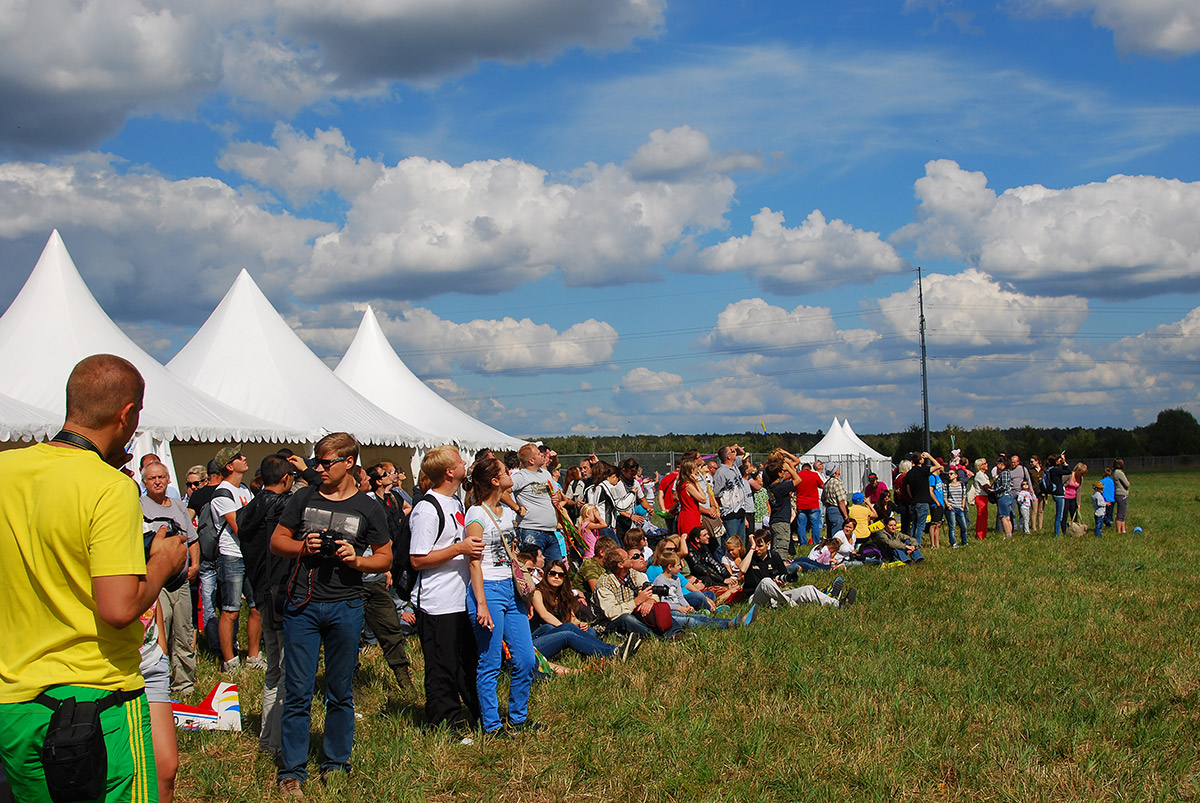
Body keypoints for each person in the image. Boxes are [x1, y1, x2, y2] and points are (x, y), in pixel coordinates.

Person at [0, 354, 188, 803]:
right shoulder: (109, 487)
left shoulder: (7, 469)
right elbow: (118, 607)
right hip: (98, 701)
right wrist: (161, 563)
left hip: (16, 699)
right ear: (127, 414)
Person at [269, 433, 393, 795]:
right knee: (298, 690)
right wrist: (301, 547)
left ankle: (336, 763)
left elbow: (385, 556)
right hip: (303, 605)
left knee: (340, 691)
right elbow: (277, 541)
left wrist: (357, 560)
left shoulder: (369, 508)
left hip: (347, 605)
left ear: (349, 463)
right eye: (317, 462)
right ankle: (292, 771)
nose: (318, 468)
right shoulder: (304, 497)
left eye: (326, 463)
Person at [407, 446, 482, 741]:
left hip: (460, 598)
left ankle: (475, 713)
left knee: (464, 661)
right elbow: (417, 558)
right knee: (442, 665)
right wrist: (459, 549)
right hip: (437, 602)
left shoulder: (455, 504)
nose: (466, 463)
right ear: (449, 472)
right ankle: (443, 722)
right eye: (460, 461)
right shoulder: (428, 508)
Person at [463, 457, 540, 736]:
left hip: (511, 589)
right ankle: (492, 725)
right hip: (489, 592)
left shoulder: (505, 512)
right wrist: (481, 604)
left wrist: (525, 597)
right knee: (490, 661)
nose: (511, 473)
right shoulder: (476, 515)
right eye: (505, 472)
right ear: (495, 481)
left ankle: (518, 718)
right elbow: (474, 563)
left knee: (526, 659)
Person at [235, 454, 294, 759]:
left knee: (273, 669)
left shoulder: (250, 508)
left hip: (261, 590)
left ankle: (266, 739)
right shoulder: (282, 507)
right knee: (285, 671)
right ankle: (277, 742)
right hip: (281, 593)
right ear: (285, 479)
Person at [141, 461, 200, 699]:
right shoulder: (138, 507)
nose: (157, 481)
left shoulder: (178, 506)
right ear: (144, 483)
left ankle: (185, 685)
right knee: (159, 634)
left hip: (181, 581)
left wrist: (195, 565)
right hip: (156, 583)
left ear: (168, 480)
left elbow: (192, 539)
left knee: (184, 632)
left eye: (161, 477)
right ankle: (159, 685)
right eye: (152, 478)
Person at [211, 444, 263, 673]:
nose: (245, 458)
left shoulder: (244, 489)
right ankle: (230, 661)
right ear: (229, 466)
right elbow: (238, 526)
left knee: (256, 607)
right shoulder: (222, 493)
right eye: (239, 457)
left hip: (249, 554)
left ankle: (253, 656)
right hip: (231, 554)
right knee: (231, 609)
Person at [530, 560, 629, 661]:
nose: (556, 577)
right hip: (541, 634)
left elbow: (571, 618)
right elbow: (544, 614)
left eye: (560, 575)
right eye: (552, 573)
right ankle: (611, 651)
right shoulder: (538, 592)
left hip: (559, 630)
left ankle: (595, 654)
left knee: (590, 631)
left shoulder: (563, 595)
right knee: (566, 628)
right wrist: (564, 627)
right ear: (546, 574)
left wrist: (580, 623)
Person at [738, 530, 851, 610]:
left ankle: (837, 604)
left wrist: (781, 582)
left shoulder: (774, 556)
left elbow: (784, 577)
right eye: (755, 546)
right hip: (756, 598)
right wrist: (751, 548)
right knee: (766, 581)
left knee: (808, 589)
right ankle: (791, 605)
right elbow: (742, 569)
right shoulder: (750, 555)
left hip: (776, 596)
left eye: (760, 546)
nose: (757, 549)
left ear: (768, 545)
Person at [512, 443, 564, 562]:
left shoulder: (545, 473)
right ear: (531, 460)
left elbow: (557, 494)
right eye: (538, 453)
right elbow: (503, 491)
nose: (542, 454)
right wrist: (516, 508)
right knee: (533, 567)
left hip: (551, 531)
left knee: (555, 568)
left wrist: (557, 497)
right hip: (531, 530)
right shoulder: (521, 476)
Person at [713, 445, 748, 541]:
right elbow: (716, 494)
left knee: (741, 542)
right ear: (728, 456)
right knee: (731, 541)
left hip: (740, 511)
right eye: (732, 452)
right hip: (730, 514)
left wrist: (735, 447)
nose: (734, 452)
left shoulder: (735, 466)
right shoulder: (721, 472)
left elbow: (742, 454)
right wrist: (718, 512)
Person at [821, 463, 849, 541]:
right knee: (837, 534)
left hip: (829, 509)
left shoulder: (827, 483)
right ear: (835, 472)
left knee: (830, 532)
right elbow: (841, 501)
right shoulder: (837, 483)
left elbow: (823, 499)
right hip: (837, 510)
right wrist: (846, 515)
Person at [944, 468, 969, 548]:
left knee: (964, 526)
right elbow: (945, 497)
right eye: (949, 474)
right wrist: (948, 506)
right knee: (952, 527)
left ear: (956, 475)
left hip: (959, 507)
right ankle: (953, 543)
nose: (949, 475)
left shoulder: (961, 485)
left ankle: (964, 542)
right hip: (951, 508)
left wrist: (963, 506)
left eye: (951, 474)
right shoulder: (947, 486)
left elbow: (964, 496)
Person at [1113, 459, 1130, 534]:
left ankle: (1123, 530)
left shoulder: (1114, 473)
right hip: (1122, 494)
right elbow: (1127, 484)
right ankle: (1119, 531)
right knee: (1120, 514)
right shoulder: (1119, 473)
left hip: (1118, 494)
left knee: (1122, 513)